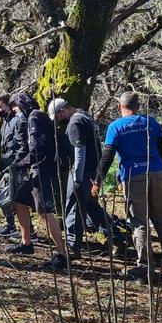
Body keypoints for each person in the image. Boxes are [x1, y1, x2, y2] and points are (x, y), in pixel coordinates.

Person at [93, 91, 162, 280]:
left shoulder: (115, 127)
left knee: (139, 221)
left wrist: (97, 181)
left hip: (134, 176)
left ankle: (145, 267)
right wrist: (161, 172)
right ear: (138, 106)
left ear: (119, 107)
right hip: (157, 172)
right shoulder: (151, 122)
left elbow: (107, 156)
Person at [7, 93, 69, 268]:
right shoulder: (38, 117)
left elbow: (38, 147)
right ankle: (26, 242)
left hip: (42, 171)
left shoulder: (34, 118)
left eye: (17, 109)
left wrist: (22, 163)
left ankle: (61, 254)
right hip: (37, 169)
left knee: (44, 210)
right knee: (19, 199)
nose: (16, 113)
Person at [49, 98, 112, 256]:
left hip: (82, 172)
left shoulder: (75, 123)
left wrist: (77, 179)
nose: (57, 121)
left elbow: (79, 153)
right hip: (91, 170)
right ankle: (117, 236)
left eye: (57, 117)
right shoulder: (85, 117)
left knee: (74, 206)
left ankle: (72, 245)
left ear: (62, 111)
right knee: (91, 207)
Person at [0, 93, 28, 239]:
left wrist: (16, 163)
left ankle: (28, 231)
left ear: (8, 106)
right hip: (6, 165)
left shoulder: (18, 122)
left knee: (17, 198)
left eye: (0, 107)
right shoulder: (4, 123)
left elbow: (23, 146)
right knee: (3, 195)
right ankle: (10, 225)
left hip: (16, 166)